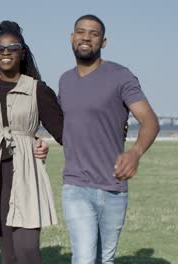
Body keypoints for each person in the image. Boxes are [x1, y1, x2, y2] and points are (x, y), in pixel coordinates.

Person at [59, 14, 159, 264]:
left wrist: (134, 153)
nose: (86, 37)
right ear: (72, 38)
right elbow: (67, 126)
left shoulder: (121, 76)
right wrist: (39, 142)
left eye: (94, 34)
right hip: (76, 185)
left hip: (114, 186)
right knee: (83, 257)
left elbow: (150, 121)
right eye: (80, 31)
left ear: (103, 42)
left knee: (105, 259)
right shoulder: (64, 80)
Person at [0, 21, 64, 264]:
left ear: (22, 52)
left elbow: (64, 133)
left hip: (26, 175)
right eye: (0, 48)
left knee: (28, 252)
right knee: (9, 255)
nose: (6, 52)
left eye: (12, 47)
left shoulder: (38, 90)